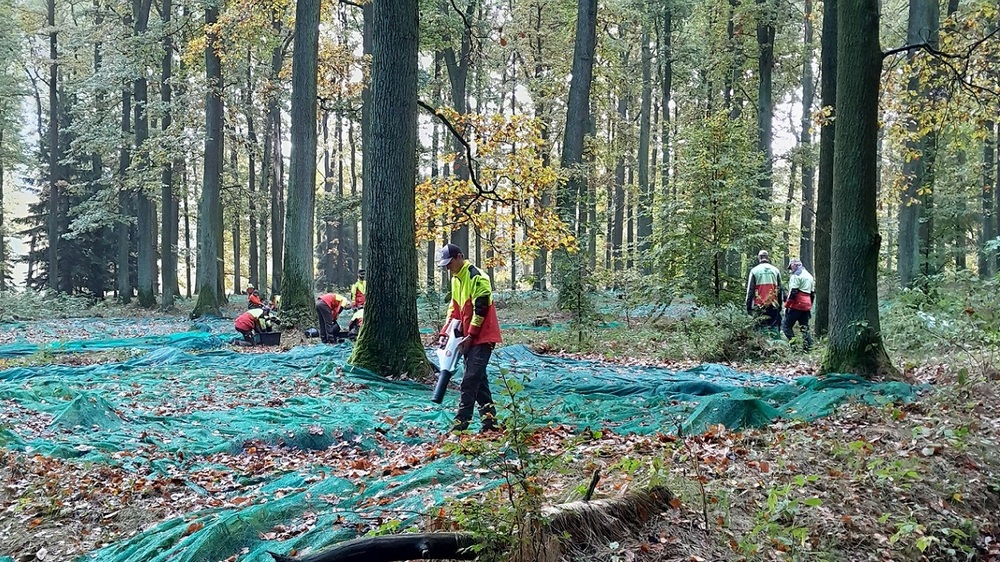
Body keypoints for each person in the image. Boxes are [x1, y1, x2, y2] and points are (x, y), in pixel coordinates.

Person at [437, 242, 502, 433]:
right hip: (468, 338)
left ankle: (461, 424)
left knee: (471, 379)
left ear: (460, 257)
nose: (448, 268)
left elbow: (481, 310)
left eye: (449, 263)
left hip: (482, 337)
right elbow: (454, 310)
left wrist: (471, 335)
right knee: (479, 381)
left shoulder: (477, 277)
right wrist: (445, 333)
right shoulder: (456, 279)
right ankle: (490, 423)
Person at [746, 250, 784, 331]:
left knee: (760, 329)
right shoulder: (775, 270)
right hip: (773, 304)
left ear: (759, 258)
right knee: (774, 328)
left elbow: (750, 291)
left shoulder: (754, 271)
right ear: (767, 257)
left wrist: (748, 307)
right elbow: (780, 289)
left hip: (759, 305)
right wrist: (780, 305)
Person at [783, 258, 814, 351]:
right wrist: (809, 306)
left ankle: (794, 347)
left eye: (791, 267)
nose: (791, 270)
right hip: (807, 304)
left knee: (786, 326)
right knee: (804, 327)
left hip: (797, 304)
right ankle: (808, 347)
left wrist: (787, 305)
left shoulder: (796, 276)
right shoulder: (810, 276)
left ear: (794, 265)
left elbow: (793, 292)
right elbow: (812, 294)